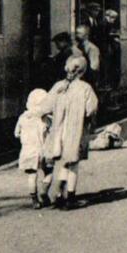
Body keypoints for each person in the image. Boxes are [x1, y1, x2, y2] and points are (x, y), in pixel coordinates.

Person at [42, 56, 99, 210]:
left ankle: (59, 196)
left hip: (58, 133)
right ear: (83, 71)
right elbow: (91, 109)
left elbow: (45, 107)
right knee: (72, 165)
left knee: (62, 163)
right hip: (76, 132)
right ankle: (70, 198)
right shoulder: (85, 88)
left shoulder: (58, 86)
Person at [15, 89, 53, 209]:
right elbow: (51, 132)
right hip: (42, 151)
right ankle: (44, 191)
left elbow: (16, 133)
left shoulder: (22, 117)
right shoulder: (45, 119)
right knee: (49, 172)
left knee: (32, 176)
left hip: (27, 151)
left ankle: (34, 200)